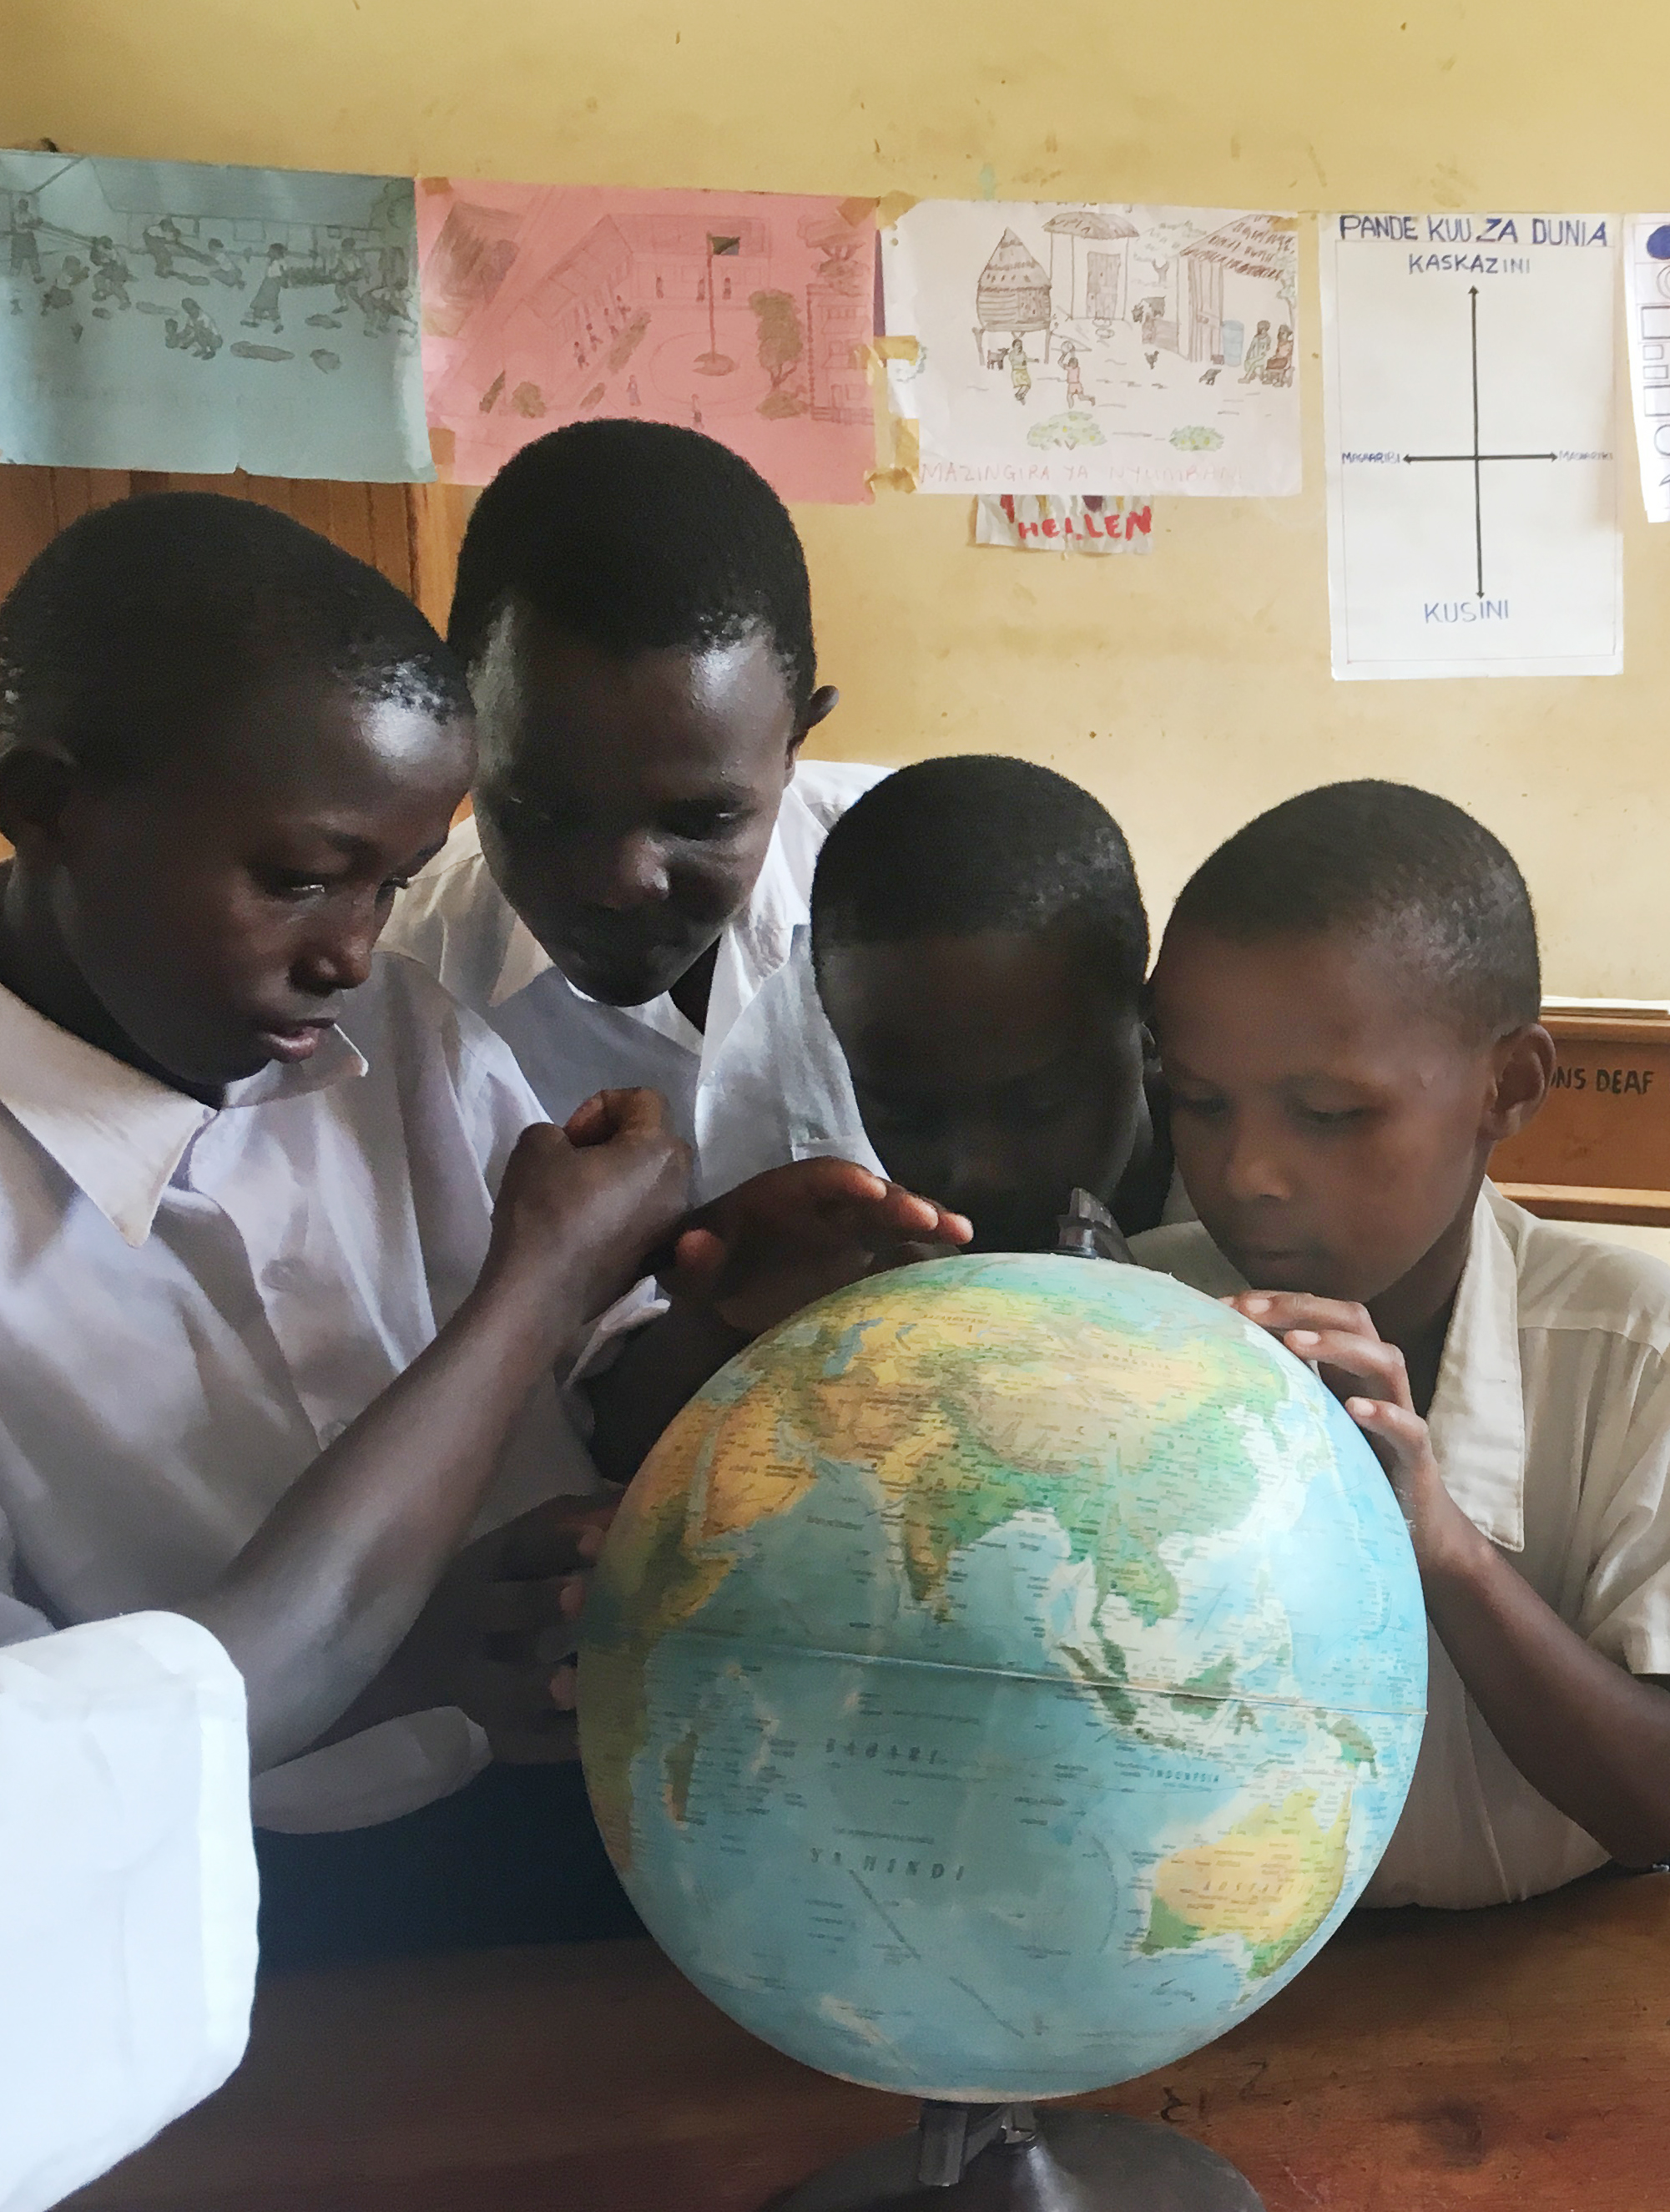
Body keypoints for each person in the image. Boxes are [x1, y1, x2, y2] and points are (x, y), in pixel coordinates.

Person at [0, 493, 956, 1973]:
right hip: (223, 1920)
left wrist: (709, 1312)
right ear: (45, 801)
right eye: (300, 878)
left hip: (575, 1809)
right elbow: (50, 1764)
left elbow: (589, 1379)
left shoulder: (401, 1036)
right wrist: (414, 1650)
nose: (350, 950)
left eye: (390, 883)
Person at [1140, 781, 1670, 1958]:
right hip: (1209, 1968)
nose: (1248, 1172)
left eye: (1331, 1112)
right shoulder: (1130, 1329)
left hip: (1550, 1959)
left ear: (1509, 1086)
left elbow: (1658, 1799)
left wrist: (1441, 1544)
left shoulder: (1638, 1349)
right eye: (1197, 1102)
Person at [381, 417, 885, 1154]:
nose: (622, 884)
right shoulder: (401, 987)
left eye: (703, 819)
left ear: (793, 746)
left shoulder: (937, 892)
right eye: (546, 811)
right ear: (459, 732)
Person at [694, 754, 1175, 1249]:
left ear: (1160, 1026)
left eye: (1036, 1107)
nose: (976, 1175)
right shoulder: (874, 1269)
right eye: (906, 1116)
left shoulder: (1249, 1241)